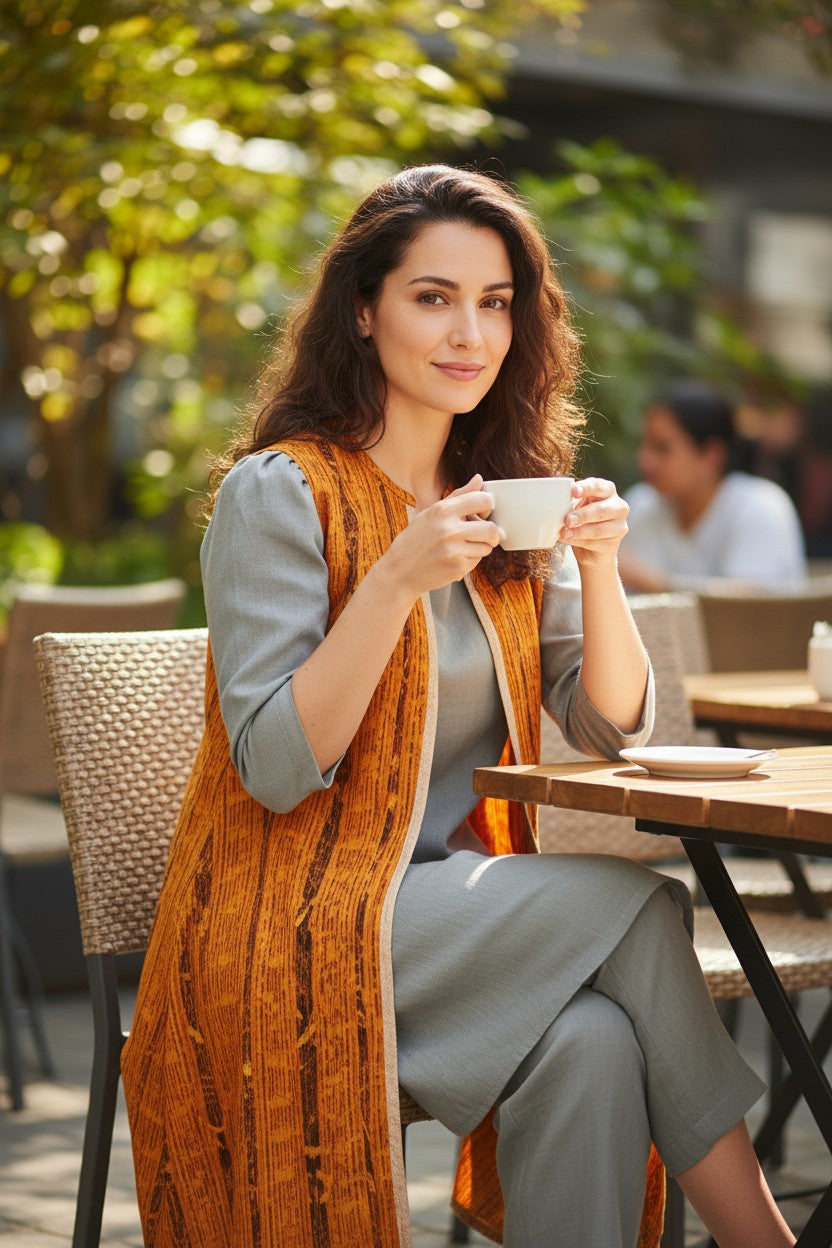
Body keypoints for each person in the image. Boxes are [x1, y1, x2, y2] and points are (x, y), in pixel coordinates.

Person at [120, 165, 794, 1248]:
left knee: (592, 1045)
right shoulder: (279, 494)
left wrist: (605, 567)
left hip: (442, 914)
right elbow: (278, 765)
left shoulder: (504, 499)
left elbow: (610, 724)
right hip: (281, 916)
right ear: (362, 309)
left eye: (493, 302)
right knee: (632, 906)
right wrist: (391, 580)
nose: (468, 332)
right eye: (432, 296)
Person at [618, 379, 807, 594]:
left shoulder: (761, 507)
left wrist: (650, 580)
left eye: (662, 448)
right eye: (645, 445)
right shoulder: (640, 504)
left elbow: (749, 607)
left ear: (711, 457)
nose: (645, 459)